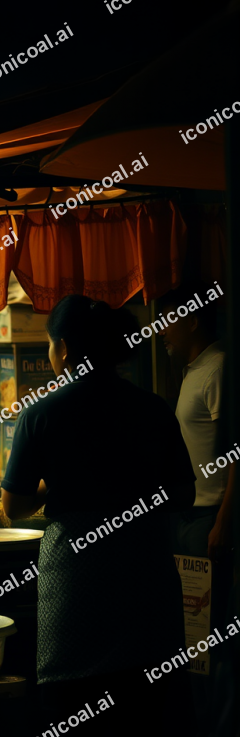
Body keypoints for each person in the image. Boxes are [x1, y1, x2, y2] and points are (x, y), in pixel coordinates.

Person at [0, 296, 196, 737]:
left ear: (64, 348)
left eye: (50, 345)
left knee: (76, 700)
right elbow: (183, 493)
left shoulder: (43, 413)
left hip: (77, 575)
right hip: (146, 566)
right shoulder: (153, 407)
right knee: (150, 696)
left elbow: (15, 506)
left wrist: (60, 483)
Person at [157, 281, 233, 737]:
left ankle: (218, 725)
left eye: (169, 320)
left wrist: (224, 522)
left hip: (208, 520)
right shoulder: (195, 368)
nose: (161, 332)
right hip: (186, 519)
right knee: (192, 638)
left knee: (213, 635)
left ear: (193, 319)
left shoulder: (219, 366)